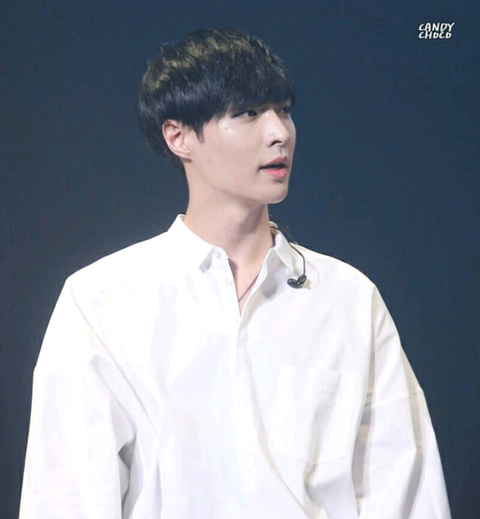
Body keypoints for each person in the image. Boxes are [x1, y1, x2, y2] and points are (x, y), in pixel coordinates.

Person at [19, 27, 451, 518]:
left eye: (283, 110)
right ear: (179, 135)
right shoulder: (102, 302)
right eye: (248, 113)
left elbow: (407, 492)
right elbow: (66, 498)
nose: (279, 132)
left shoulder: (348, 298)